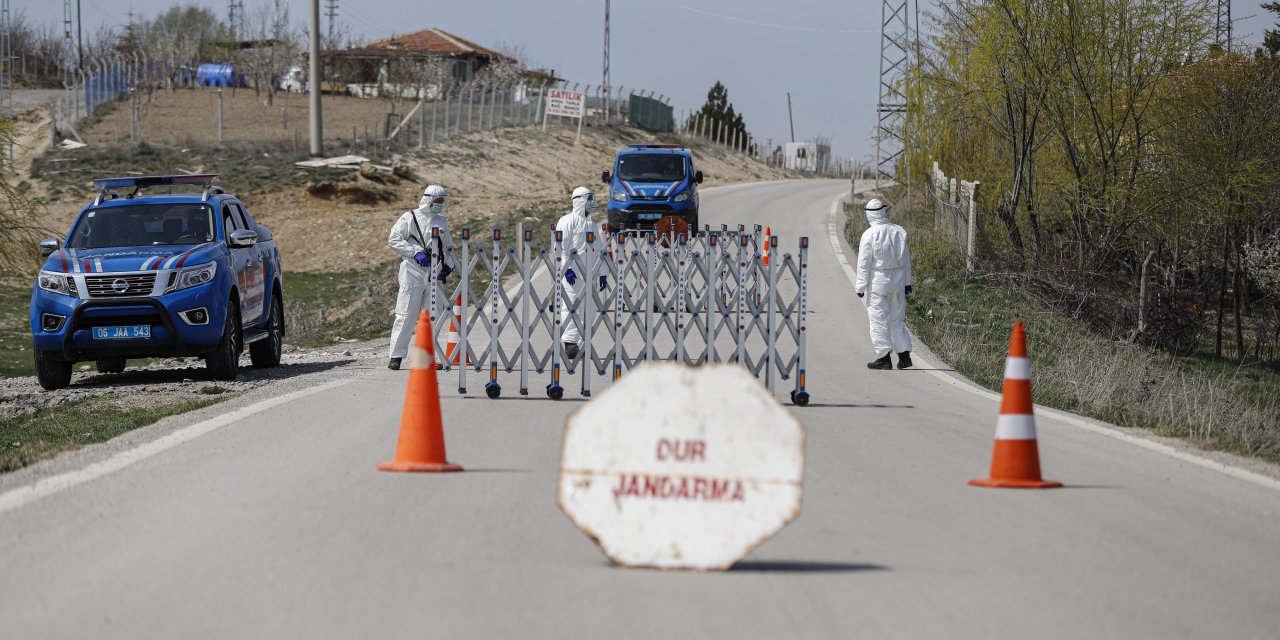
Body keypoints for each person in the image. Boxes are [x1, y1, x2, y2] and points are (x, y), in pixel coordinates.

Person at [386, 184, 456, 370]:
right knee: (406, 314)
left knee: (433, 316)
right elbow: (394, 239)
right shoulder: (410, 217)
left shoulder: (442, 222)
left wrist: (447, 267)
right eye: (437, 201)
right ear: (428, 200)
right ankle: (396, 356)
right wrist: (414, 252)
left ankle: (426, 357)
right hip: (413, 270)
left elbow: (448, 247)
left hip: (435, 273)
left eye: (442, 201)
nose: (439, 204)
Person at [855, 198, 914, 370]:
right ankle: (904, 356)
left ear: (868, 214)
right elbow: (906, 260)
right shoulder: (899, 231)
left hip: (879, 283)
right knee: (897, 319)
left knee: (878, 320)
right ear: (883, 211)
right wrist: (907, 283)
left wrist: (860, 286)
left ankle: (883, 358)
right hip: (898, 281)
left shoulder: (869, 235)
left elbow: (864, 263)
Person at [555, 186, 608, 361]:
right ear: (579, 201)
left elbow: (600, 249)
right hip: (572, 273)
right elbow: (560, 248)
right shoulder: (566, 221)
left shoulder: (591, 224)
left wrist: (603, 273)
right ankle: (570, 343)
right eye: (589, 200)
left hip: (589, 273)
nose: (592, 203)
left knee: (589, 308)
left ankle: (581, 342)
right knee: (570, 306)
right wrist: (567, 269)